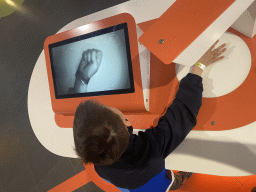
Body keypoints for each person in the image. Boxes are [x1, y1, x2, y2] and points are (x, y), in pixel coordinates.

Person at [72, 40, 227, 191]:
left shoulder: (96, 156)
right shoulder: (151, 148)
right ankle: (178, 180)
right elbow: (184, 111)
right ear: (125, 123)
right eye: (108, 109)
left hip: (126, 185)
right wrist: (199, 67)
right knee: (168, 183)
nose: (108, 106)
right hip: (153, 185)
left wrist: (82, 77)